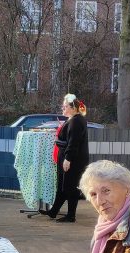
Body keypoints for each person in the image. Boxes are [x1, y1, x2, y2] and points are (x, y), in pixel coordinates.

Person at [40, 93, 89, 223]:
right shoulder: (73, 119)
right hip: (67, 157)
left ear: (73, 107)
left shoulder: (76, 121)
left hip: (73, 160)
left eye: (65, 106)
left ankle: (71, 215)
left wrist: (68, 158)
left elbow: (74, 142)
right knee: (63, 186)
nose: (63, 109)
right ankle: (53, 211)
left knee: (70, 187)